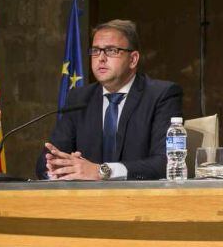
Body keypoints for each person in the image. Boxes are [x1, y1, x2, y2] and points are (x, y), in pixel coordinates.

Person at [36, 19, 183, 180]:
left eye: (111, 51)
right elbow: (46, 162)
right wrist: (56, 168)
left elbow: (166, 162)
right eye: (95, 51)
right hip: (86, 201)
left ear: (133, 59)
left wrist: (102, 171)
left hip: (139, 199)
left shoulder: (162, 95)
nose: (101, 58)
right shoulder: (79, 98)